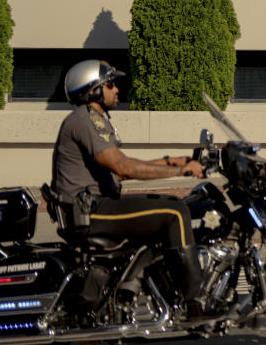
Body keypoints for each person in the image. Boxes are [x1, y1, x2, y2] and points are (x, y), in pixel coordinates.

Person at [50, 59, 212, 317]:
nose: (117, 90)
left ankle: (135, 287)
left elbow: (121, 170)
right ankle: (196, 303)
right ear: (92, 90)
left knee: (167, 205)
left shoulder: (94, 120)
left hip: (95, 207)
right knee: (175, 212)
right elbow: (123, 167)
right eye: (110, 84)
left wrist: (174, 161)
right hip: (90, 212)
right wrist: (180, 171)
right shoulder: (84, 120)